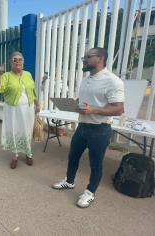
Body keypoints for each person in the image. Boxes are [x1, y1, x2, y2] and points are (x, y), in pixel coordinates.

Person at [52, 47, 124, 208]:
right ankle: (69, 182)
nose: (84, 60)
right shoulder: (86, 79)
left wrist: (93, 110)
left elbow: (119, 109)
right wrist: (75, 104)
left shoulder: (113, 81)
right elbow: (86, 100)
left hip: (100, 129)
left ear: (100, 58)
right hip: (82, 126)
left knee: (95, 164)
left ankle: (90, 192)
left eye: (88, 57)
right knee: (73, 157)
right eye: (83, 57)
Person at [0, 51, 40, 169]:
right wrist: (0, 75)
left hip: (28, 109)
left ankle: (29, 153)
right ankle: (15, 155)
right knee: (14, 130)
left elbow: (33, 90)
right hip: (13, 110)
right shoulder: (6, 76)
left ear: (23, 62)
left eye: (20, 59)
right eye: (15, 60)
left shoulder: (28, 74)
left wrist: (37, 103)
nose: (18, 62)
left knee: (27, 131)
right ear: (11, 63)